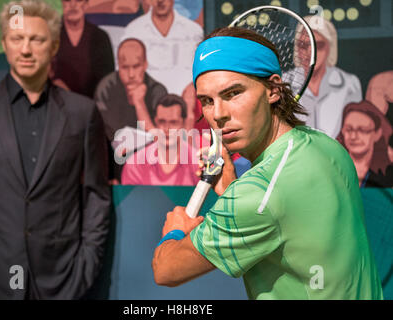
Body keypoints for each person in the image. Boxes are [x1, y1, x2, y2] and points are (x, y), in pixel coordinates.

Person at [152, 27, 383, 299]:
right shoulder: (329, 148)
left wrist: (175, 232)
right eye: (207, 101)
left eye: (233, 93)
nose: (218, 114)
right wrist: (232, 189)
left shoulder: (257, 195)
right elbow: (285, 221)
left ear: (273, 89)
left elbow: (165, 270)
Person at [0, 0, 111, 299]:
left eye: (37, 39)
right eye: (17, 39)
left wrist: (88, 261)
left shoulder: (82, 113)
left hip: (62, 279)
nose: (26, 49)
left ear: (55, 45)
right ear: (5, 44)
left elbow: (96, 194)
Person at [283, 15, 362, 138]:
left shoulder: (349, 83)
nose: (310, 52)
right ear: (296, 48)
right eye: (303, 45)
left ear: (330, 47)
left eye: (318, 45)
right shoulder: (283, 81)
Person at [122, 0, 203, 97]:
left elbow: (203, 70)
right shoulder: (133, 31)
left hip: (188, 103)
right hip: (148, 102)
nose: (160, 1)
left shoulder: (194, 31)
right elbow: (123, 71)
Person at [121, 94, 199, 185]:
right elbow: (131, 198)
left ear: (184, 123)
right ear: (155, 121)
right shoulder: (135, 164)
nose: (167, 129)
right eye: (162, 121)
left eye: (173, 122)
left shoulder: (198, 163)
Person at [50, 0, 115, 97]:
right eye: (68, 0)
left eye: (78, 0)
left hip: (92, 105)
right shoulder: (50, 34)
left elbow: (107, 80)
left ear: (86, 4)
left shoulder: (100, 37)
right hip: (55, 102)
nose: (73, 5)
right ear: (61, 3)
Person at [336, 101, 393, 188]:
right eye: (349, 129)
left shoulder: (388, 175)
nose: (353, 136)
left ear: (377, 133)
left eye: (362, 130)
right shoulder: (332, 169)